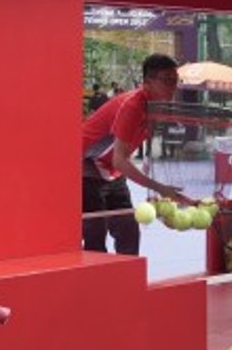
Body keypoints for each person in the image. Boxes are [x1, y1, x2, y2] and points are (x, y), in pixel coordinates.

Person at [80, 54, 190, 254]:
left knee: (128, 231)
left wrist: (157, 196)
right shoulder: (132, 106)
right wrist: (159, 188)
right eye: (167, 80)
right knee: (95, 233)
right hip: (84, 165)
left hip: (111, 170)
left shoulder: (159, 107)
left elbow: (150, 157)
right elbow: (120, 160)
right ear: (147, 83)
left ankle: (128, 283)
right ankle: (94, 284)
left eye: (176, 81)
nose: (173, 87)